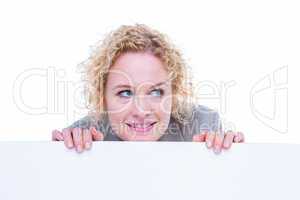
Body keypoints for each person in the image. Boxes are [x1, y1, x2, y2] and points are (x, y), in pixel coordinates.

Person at [52, 24, 244, 154]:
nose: (141, 111)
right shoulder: (84, 136)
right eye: (125, 93)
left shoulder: (202, 124)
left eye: (155, 92)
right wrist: (65, 159)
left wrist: (231, 159)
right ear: (102, 98)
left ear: (174, 93)